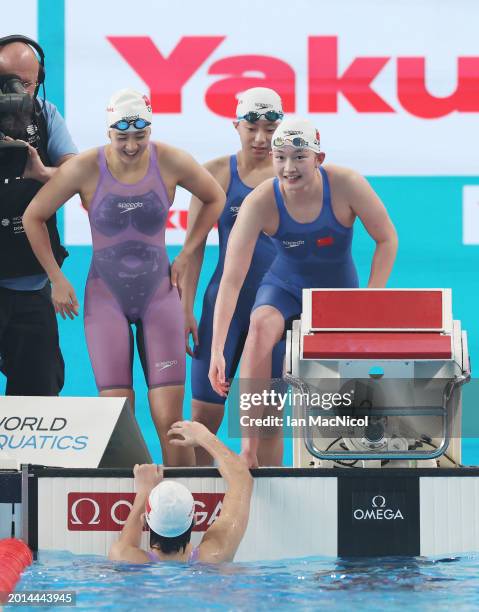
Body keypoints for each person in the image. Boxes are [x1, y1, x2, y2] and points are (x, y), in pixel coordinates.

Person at [23, 89, 225, 466]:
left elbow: (214, 197)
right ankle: (139, 505)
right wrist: (56, 278)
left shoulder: (171, 160)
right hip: (106, 298)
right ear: (108, 133)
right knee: (119, 420)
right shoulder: (84, 167)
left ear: (150, 130)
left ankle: (185, 509)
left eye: (140, 135)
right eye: (122, 137)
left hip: (159, 296)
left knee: (170, 421)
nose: (132, 145)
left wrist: (186, 252)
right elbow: (33, 216)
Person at [209, 116, 398, 467]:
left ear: (319, 159)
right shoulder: (261, 201)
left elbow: (387, 239)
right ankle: (248, 451)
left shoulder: (347, 185)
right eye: (280, 157)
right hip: (284, 286)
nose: (288, 167)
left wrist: (370, 299)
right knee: (261, 327)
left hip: (337, 293)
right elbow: (232, 279)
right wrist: (217, 348)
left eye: (299, 157)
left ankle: (354, 453)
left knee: (336, 391)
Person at [183, 87, 285, 465]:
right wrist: (186, 309)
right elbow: (192, 250)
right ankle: (199, 508)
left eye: (270, 128)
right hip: (224, 307)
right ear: (236, 125)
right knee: (204, 418)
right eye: (252, 127)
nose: (261, 138)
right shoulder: (215, 174)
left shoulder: (291, 173)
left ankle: (272, 511)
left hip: (276, 309)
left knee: (268, 421)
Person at [0, 36, 77, 396]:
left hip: (30, 284)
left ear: (39, 79)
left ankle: (31, 457)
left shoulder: (46, 114)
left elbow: (80, 176)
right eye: (6, 81)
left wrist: (43, 173)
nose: (17, 91)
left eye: (26, 83)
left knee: (39, 392)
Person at [108, 420, 253, 564]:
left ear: (144, 521)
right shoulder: (216, 555)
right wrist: (204, 436)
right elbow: (242, 479)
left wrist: (144, 491)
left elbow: (124, 547)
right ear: (195, 519)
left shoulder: (123, 557)